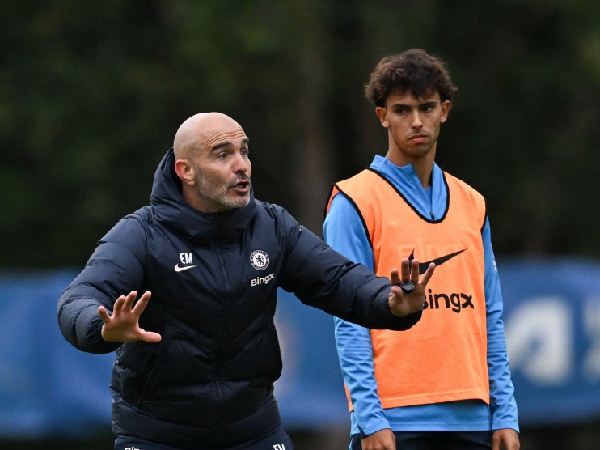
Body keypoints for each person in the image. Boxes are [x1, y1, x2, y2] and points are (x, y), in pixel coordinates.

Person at [57, 112, 436, 450]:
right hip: (156, 434)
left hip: (254, 429)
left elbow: (336, 278)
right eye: (223, 155)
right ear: (185, 170)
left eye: (244, 151)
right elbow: (77, 300)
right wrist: (101, 327)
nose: (242, 166)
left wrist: (390, 301)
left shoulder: (272, 226)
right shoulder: (140, 233)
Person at [324, 49, 520, 450]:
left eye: (427, 107)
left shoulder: (472, 203)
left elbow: (490, 314)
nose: (416, 121)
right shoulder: (355, 201)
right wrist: (368, 417)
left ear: (444, 110)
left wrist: (505, 412)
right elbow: (349, 321)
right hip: (395, 420)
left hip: (474, 418)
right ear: (382, 116)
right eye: (401, 110)